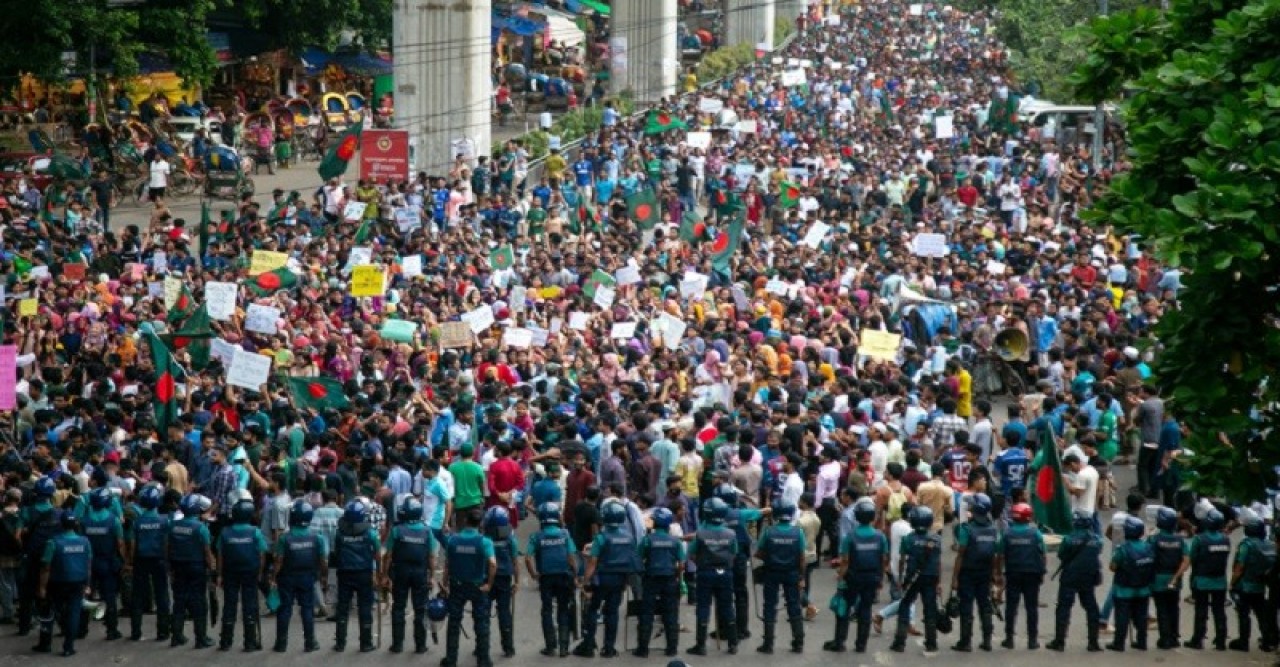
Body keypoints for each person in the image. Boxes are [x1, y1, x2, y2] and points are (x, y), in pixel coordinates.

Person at [574, 501, 638, 657]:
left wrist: (585, 581)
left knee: (592, 610)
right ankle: (609, 648)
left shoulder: (601, 538)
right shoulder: (629, 537)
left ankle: (588, 645)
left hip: (601, 580)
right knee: (612, 612)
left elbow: (592, 562)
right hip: (620, 579)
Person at [827, 497, 887, 654]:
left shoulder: (850, 537)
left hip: (852, 577)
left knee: (844, 608)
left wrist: (840, 577)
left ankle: (839, 642)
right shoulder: (880, 536)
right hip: (872, 578)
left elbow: (845, 561)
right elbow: (883, 560)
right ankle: (861, 645)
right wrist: (880, 578)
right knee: (865, 609)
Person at [270, 500, 328, 653]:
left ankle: (281, 644)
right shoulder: (318, 538)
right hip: (308, 578)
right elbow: (323, 561)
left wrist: (273, 577)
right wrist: (323, 577)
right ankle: (310, 642)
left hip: (287, 578)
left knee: (285, 609)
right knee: (307, 609)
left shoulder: (284, 538)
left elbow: (279, 561)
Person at [441, 508, 496, 667]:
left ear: (465, 522)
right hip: (478, 586)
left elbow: (447, 564)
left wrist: (445, 583)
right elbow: (493, 563)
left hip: (457, 586)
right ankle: (483, 659)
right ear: (480, 524)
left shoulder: (453, 540)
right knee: (481, 622)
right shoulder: (485, 542)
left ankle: (451, 660)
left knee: (454, 623)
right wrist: (489, 584)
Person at [715, 483, 770, 641]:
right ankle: (742, 629)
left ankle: (723, 629)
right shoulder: (740, 514)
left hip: (720, 559)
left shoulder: (712, 517)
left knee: (722, 594)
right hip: (739, 559)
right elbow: (763, 512)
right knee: (740, 593)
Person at [525, 502, 579, 657]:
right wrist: (576, 574)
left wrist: (534, 574)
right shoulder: (565, 534)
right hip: (564, 577)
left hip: (546, 579)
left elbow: (527, 558)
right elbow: (571, 557)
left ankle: (550, 646)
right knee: (563, 610)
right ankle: (564, 648)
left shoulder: (536, 537)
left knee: (547, 611)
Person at [383, 495, 434, 654]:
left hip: (400, 573)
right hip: (420, 573)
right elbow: (432, 557)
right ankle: (420, 645)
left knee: (398, 607)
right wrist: (431, 576)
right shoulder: (427, 531)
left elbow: (388, 555)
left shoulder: (397, 530)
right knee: (420, 609)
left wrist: (385, 575)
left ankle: (397, 645)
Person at [1173, 508, 1230, 650]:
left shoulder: (1200, 539)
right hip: (1220, 581)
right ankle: (1221, 640)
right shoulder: (1225, 539)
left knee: (1201, 611)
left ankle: (1197, 640)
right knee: (1219, 611)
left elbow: (1192, 558)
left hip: (1202, 580)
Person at [687, 497, 738, 655]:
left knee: (703, 607)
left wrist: (702, 562)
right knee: (727, 606)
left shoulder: (700, 533)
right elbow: (734, 552)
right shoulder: (731, 533)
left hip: (705, 572)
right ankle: (732, 644)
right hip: (725, 573)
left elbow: (691, 553)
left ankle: (701, 645)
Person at [36, 511, 91, 656]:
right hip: (78, 582)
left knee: (54, 612)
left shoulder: (53, 542)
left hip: (58, 583)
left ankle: (48, 642)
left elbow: (45, 567)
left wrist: (42, 587)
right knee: (74, 613)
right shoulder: (85, 541)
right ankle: (69, 646)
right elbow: (88, 564)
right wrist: (87, 583)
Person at [1047, 509, 1103, 652]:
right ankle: (1093, 642)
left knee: (1063, 608)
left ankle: (1059, 641)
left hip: (1070, 576)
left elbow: (1061, 555)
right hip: (1088, 578)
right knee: (1091, 608)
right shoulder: (1096, 540)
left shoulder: (1068, 539)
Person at [216, 497, 267, 651]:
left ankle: (225, 641)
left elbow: (220, 555)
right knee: (250, 605)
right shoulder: (255, 532)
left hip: (230, 573)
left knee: (229, 604)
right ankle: (250, 642)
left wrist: (219, 574)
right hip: (250, 572)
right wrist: (259, 572)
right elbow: (262, 554)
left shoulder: (225, 532)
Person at [949, 493, 999, 652]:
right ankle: (987, 641)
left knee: (966, 607)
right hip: (985, 573)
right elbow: (995, 555)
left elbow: (961, 554)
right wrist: (994, 576)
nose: (968, 506)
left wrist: (955, 578)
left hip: (968, 573)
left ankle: (965, 641)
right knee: (985, 606)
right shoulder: (993, 529)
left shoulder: (966, 529)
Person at [754, 500, 805, 654]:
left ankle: (768, 644)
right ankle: (798, 642)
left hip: (772, 573)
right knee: (794, 605)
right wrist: (801, 577)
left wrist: (770, 557)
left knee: (769, 605)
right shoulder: (798, 532)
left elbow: (758, 553)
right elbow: (802, 558)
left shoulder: (769, 532)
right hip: (791, 573)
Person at [890, 506, 942, 654]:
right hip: (930, 577)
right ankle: (931, 642)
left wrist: (900, 579)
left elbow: (902, 561)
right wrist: (938, 582)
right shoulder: (936, 539)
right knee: (930, 608)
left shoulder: (908, 539)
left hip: (912, 578)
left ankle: (899, 642)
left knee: (904, 606)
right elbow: (937, 562)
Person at [635, 506, 685, 658]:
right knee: (671, 614)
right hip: (670, 580)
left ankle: (643, 649)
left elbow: (638, 559)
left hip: (651, 579)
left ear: (655, 523)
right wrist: (675, 575)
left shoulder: (647, 540)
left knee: (646, 614)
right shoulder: (675, 541)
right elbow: (681, 565)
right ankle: (672, 648)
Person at [331, 500, 380, 652]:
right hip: (364, 574)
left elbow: (336, 553)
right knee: (365, 608)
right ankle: (366, 643)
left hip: (345, 574)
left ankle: (340, 643)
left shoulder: (339, 533)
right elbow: (377, 554)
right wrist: (378, 573)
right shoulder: (370, 533)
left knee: (343, 608)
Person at [167, 494, 215, 648]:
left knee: (179, 602)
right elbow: (207, 552)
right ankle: (200, 638)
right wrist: (213, 569)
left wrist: (169, 566)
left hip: (178, 567)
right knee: (199, 603)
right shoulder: (201, 528)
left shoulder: (173, 525)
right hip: (196, 568)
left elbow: (166, 547)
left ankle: (176, 636)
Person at [998, 502, 1045, 649]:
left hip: (1013, 573)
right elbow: (1042, 554)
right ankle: (1032, 640)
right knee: (1031, 607)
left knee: (1011, 606)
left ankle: (1009, 638)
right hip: (1032, 573)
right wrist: (1042, 572)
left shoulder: (1007, 533)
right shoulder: (1035, 533)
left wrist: (998, 573)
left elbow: (1000, 555)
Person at [128, 483, 171, 641]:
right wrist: (167, 561)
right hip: (159, 559)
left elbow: (133, 544)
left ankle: (135, 632)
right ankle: (163, 631)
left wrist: (131, 562)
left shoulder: (137, 522)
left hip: (141, 560)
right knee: (162, 595)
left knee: (138, 596)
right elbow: (167, 543)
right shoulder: (164, 521)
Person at [17, 476, 59, 638]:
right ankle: (54, 624)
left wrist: (24, 548)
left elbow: (18, 534)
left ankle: (24, 626)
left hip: (31, 557)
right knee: (51, 591)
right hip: (51, 559)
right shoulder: (57, 513)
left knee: (26, 593)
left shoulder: (26, 511)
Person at [1228, 514, 1277, 652]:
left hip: (1245, 585)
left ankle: (1243, 642)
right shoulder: (1270, 544)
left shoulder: (1246, 545)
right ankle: (1268, 640)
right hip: (1260, 585)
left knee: (1243, 614)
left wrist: (1232, 583)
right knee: (1261, 614)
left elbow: (1240, 566)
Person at [83, 487, 125, 641]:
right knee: (109, 597)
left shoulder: (85, 520)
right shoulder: (113, 520)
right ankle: (112, 630)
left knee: (87, 595)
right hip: (108, 562)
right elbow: (120, 543)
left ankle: (81, 629)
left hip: (89, 564)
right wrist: (124, 561)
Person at [1106, 516, 1154, 651]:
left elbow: (1113, 567)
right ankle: (1142, 642)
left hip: (1124, 589)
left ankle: (1119, 643)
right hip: (1143, 588)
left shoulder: (1123, 549)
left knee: (1122, 617)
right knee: (1141, 616)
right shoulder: (1148, 547)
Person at [483, 506, 520, 657]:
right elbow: (516, 561)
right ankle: (508, 647)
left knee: (483, 613)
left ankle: (482, 645)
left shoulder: (484, 539)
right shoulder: (510, 538)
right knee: (504, 612)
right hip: (504, 579)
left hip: (486, 579)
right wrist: (517, 582)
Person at [1148, 506, 1187, 649]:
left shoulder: (1154, 539)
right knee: (1174, 608)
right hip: (1175, 579)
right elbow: (1186, 559)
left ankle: (1165, 638)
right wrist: (1177, 576)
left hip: (1158, 578)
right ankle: (1174, 637)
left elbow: (1148, 557)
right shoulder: (1180, 540)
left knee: (1162, 609)